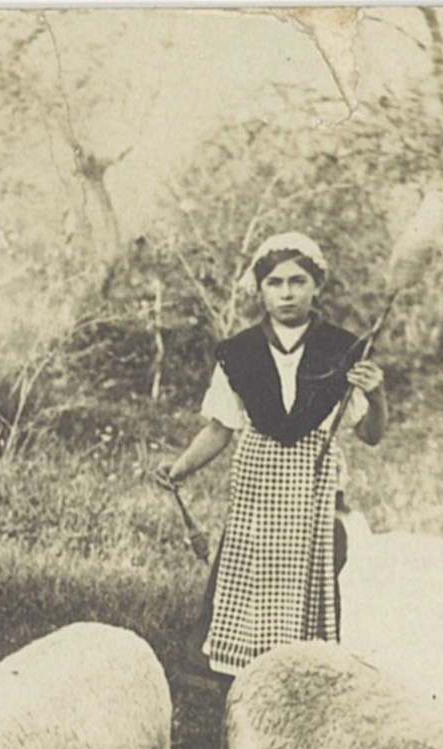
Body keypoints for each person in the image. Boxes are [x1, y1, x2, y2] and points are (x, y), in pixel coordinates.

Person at [156, 232, 386, 678]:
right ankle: (237, 677)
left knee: (316, 590)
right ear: (260, 289)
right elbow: (222, 426)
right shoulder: (239, 353)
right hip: (257, 491)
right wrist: (180, 468)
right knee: (248, 580)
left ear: (316, 286)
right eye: (275, 282)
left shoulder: (342, 349)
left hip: (315, 496)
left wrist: (377, 395)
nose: (286, 293)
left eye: (298, 281)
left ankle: (307, 674)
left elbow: (373, 434)